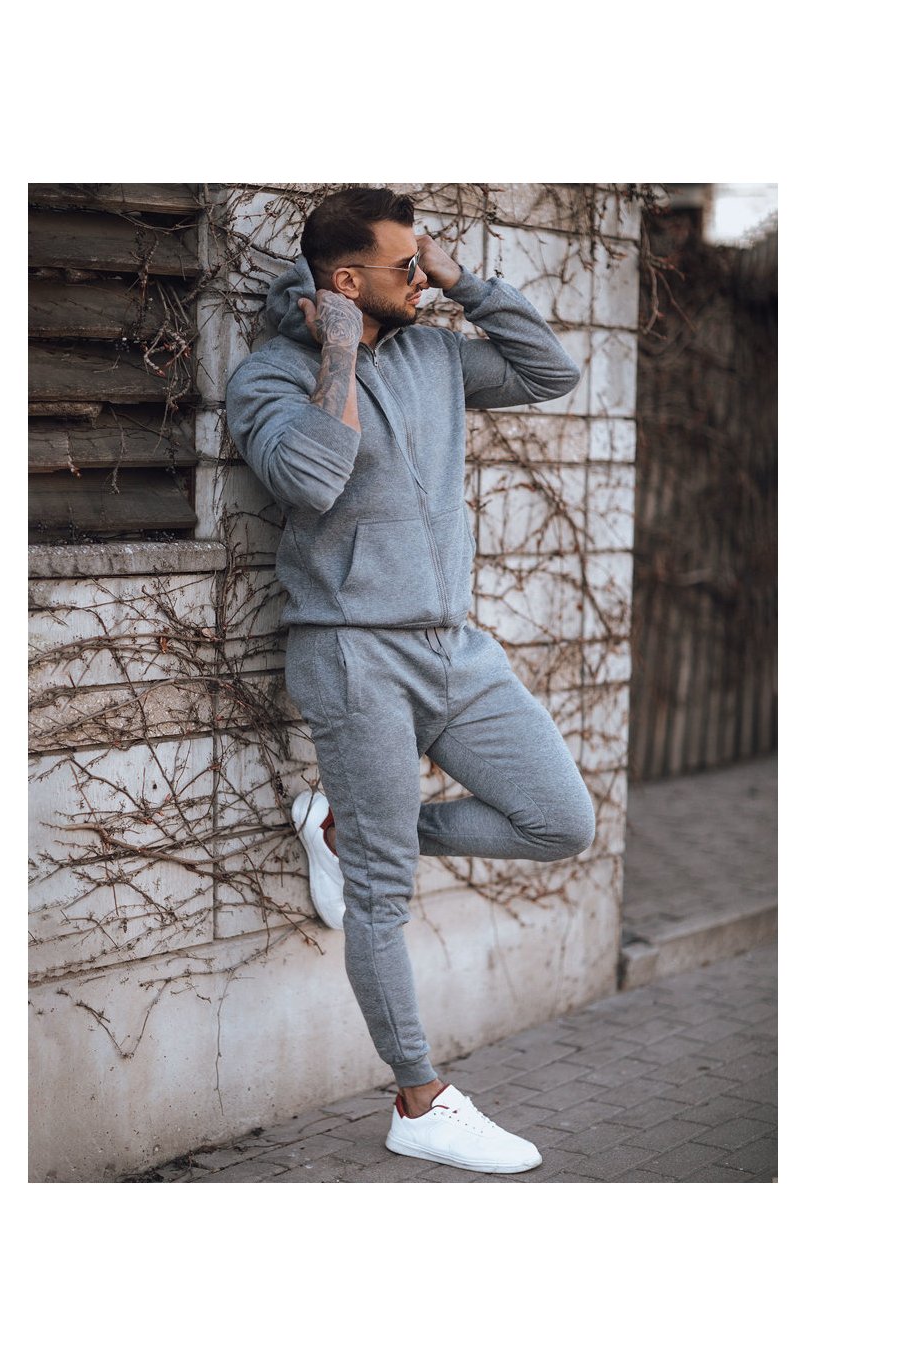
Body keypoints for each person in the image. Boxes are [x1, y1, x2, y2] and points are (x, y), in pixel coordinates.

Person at [225, 187, 596, 1175]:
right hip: (355, 656)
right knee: (381, 897)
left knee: (560, 821)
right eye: (406, 265)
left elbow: (550, 372)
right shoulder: (268, 376)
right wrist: (338, 354)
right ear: (347, 284)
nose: (421, 277)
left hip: (455, 649)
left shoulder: (435, 354)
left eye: (424, 260)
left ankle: (349, 831)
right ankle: (418, 1100)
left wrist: (463, 280)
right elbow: (311, 478)